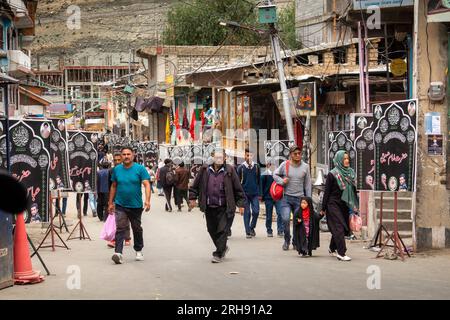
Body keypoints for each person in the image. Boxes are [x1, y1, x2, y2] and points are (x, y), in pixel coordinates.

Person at [189, 149, 245, 263]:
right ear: (212, 157)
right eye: (216, 156)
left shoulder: (230, 170)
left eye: (221, 157)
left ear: (224, 158)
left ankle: (218, 254)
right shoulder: (205, 170)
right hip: (209, 206)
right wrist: (192, 198)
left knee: (222, 230)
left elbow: (238, 188)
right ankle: (223, 247)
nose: (219, 159)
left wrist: (241, 204)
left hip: (225, 207)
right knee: (211, 230)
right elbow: (195, 185)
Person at [108, 147, 151, 264]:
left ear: (133, 155)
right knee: (120, 228)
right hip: (120, 204)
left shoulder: (140, 169)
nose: (126, 156)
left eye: (128, 154)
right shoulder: (117, 170)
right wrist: (110, 202)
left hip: (136, 205)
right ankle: (118, 253)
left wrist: (147, 200)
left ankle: (138, 250)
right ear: (121, 156)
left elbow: (147, 184)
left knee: (136, 228)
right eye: (124, 154)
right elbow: (113, 186)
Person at [321, 150, 358, 262]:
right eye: (344, 159)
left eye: (347, 158)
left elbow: (353, 190)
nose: (347, 161)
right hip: (333, 204)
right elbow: (326, 193)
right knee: (339, 228)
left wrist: (355, 205)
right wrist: (323, 209)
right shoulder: (333, 174)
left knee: (341, 227)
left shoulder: (350, 173)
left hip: (344, 205)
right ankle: (341, 253)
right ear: (339, 160)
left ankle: (332, 248)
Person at [273, 145, 312, 251]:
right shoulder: (284, 165)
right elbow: (274, 174)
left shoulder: (305, 167)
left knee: (297, 221)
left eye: (299, 153)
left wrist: (309, 200)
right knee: (285, 219)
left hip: (299, 199)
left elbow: (308, 184)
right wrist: (281, 181)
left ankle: (295, 241)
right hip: (286, 198)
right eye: (295, 154)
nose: (298, 155)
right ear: (290, 154)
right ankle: (287, 239)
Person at [107, 152, 131, 248]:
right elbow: (111, 186)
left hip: (128, 198)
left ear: (122, 159)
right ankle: (114, 240)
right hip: (117, 199)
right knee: (117, 220)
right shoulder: (112, 171)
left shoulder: (128, 169)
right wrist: (110, 201)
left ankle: (127, 238)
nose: (117, 162)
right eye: (115, 160)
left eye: (118, 160)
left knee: (127, 219)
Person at [237, 149, 261, 239]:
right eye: (247, 155)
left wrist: (260, 194)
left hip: (254, 194)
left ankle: (252, 227)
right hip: (245, 194)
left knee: (256, 211)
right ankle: (247, 231)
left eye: (251, 155)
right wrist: (239, 196)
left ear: (253, 156)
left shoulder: (257, 167)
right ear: (245, 156)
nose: (249, 157)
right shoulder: (241, 168)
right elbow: (238, 183)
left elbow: (259, 181)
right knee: (247, 212)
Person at [260, 162, 284, 237]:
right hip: (268, 198)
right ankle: (269, 230)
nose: (274, 167)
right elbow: (261, 186)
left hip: (278, 197)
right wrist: (261, 196)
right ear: (268, 166)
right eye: (272, 165)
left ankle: (280, 230)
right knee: (269, 215)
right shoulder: (264, 175)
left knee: (280, 213)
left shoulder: (279, 175)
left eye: (275, 165)